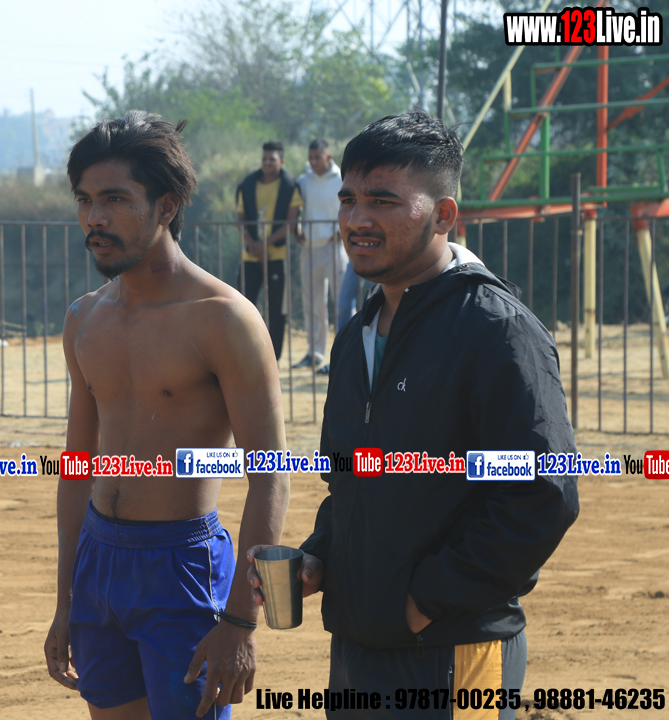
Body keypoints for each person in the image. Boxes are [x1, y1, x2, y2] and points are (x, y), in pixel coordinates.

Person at [247, 111, 580, 719]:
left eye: (383, 201)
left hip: (453, 651)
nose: (357, 219)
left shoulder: (496, 330)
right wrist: (320, 557)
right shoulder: (355, 337)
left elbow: (544, 494)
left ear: (443, 215)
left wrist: (427, 600)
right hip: (358, 649)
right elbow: (351, 487)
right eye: (348, 199)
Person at [45, 111, 290, 720]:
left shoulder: (225, 319)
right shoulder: (83, 318)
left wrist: (241, 619)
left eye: (114, 199)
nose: (94, 217)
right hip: (97, 560)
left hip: (183, 568)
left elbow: (271, 478)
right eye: (84, 200)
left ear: (167, 206)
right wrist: (66, 598)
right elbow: (77, 469)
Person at [236, 141, 303, 361]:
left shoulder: (290, 185)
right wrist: (252, 244)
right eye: (264, 159)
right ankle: (243, 356)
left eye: (272, 159)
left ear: (281, 161)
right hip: (250, 257)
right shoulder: (248, 184)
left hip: (277, 257)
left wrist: (264, 245)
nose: (267, 163)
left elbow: (291, 222)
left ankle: (273, 359)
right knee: (242, 308)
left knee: (276, 311)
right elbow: (240, 219)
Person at [292, 140, 346, 373]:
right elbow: (296, 208)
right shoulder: (303, 180)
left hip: (335, 247)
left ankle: (346, 353)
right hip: (310, 247)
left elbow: (351, 204)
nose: (313, 161)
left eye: (318, 157)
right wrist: (296, 229)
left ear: (328, 157)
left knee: (342, 302)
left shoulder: (342, 178)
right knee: (313, 302)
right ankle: (315, 353)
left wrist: (344, 230)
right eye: (311, 157)